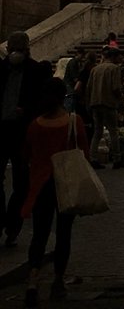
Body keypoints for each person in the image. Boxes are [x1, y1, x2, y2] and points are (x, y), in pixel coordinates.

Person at [21, 78, 87, 307]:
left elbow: (27, 154)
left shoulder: (35, 125)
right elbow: (83, 152)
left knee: (39, 235)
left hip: (40, 184)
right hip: (65, 183)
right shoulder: (73, 121)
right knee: (63, 233)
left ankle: (32, 280)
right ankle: (58, 279)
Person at [0, 32, 48, 247]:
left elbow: (40, 103)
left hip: (19, 132)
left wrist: (26, 110)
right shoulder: (35, 70)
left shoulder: (35, 70)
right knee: (20, 183)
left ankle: (11, 222)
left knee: (20, 182)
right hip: (13, 132)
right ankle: (11, 224)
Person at [86, 46, 124, 169]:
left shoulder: (95, 69)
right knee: (113, 131)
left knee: (97, 132)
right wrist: (121, 101)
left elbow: (89, 87)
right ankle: (116, 159)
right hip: (108, 103)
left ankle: (92, 158)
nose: (121, 59)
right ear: (114, 57)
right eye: (119, 56)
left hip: (95, 102)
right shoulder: (114, 69)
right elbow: (116, 88)